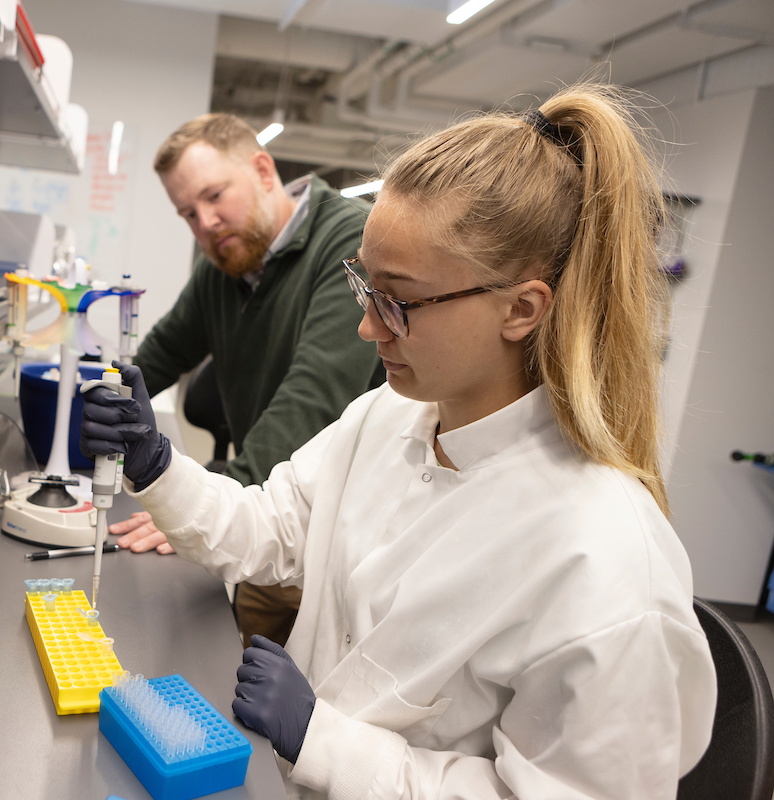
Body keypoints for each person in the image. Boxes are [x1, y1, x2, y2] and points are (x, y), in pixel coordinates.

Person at [82, 84, 715, 798]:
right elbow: (271, 529)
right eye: (365, 286)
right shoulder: (389, 415)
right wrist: (159, 467)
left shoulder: (605, 564)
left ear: (521, 308)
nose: (366, 328)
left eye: (399, 301)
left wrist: (324, 738)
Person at [112, 113, 384, 647]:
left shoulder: (351, 240)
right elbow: (159, 354)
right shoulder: (225, 268)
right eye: (188, 213)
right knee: (236, 677)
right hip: (263, 524)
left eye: (215, 196)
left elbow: (314, 396)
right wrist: (101, 406)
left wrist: (198, 508)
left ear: (263, 170)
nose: (206, 222)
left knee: (318, 703)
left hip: (334, 540)